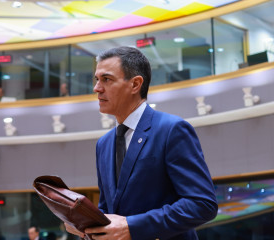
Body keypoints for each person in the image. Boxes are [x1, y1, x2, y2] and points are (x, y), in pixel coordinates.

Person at [65, 46, 218, 240]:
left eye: (107, 79)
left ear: (135, 84)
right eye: (97, 79)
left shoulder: (172, 129)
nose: (97, 88)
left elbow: (202, 204)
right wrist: (86, 225)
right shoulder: (103, 144)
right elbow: (110, 210)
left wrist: (132, 227)